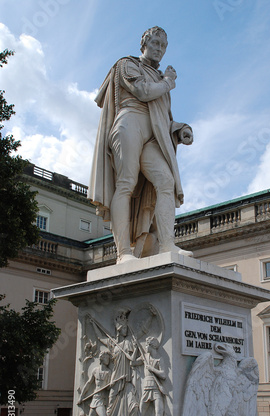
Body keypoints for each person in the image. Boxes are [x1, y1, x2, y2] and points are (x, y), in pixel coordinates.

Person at [88, 26, 194, 263]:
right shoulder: (127, 64)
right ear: (143, 44)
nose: (159, 49)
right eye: (155, 43)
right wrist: (168, 82)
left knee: (165, 181)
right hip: (129, 122)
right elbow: (143, 92)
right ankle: (123, 253)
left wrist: (181, 129)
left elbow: (163, 115)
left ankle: (168, 245)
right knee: (125, 182)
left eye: (163, 46)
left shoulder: (160, 78)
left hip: (154, 134)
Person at [74, 350, 111, 416]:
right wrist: (81, 397)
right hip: (96, 398)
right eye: (107, 358)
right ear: (102, 359)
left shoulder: (109, 372)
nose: (108, 360)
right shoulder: (95, 370)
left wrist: (110, 386)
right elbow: (88, 384)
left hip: (103, 399)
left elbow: (109, 388)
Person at [138, 336, 167, 416]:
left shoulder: (159, 359)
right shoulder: (145, 357)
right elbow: (133, 361)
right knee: (139, 415)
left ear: (152, 346)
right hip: (146, 389)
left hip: (156, 389)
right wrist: (135, 346)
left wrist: (152, 369)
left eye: (147, 345)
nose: (145, 347)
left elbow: (164, 375)